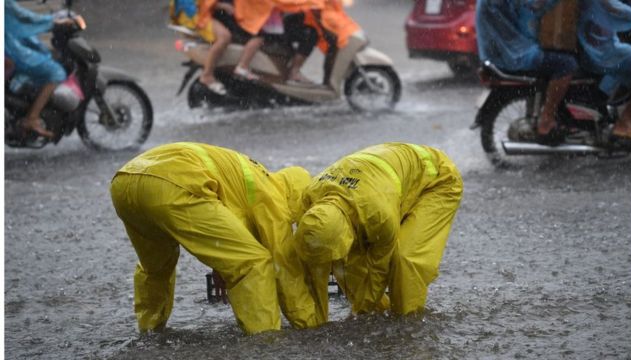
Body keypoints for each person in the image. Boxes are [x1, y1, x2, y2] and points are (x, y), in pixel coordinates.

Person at [110, 142, 323, 334]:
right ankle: (265, 342)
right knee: (253, 263)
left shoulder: (253, 177)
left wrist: (222, 264)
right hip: (172, 185)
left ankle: (149, 331)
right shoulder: (273, 196)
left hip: (124, 183)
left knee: (156, 268)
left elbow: (226, 227)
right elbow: (283, 266)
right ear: (297, 197)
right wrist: (310, 325)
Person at [293, 143, 463, 321]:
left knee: (405, 259)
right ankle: (379, 314)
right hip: (381, 176)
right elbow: (312, 263)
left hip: (437, 180)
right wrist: (315, 321)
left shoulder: (379, 216)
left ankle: (407, 325)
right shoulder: (308, 200)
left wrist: (360, 316)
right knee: (349, 266)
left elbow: (377, 272)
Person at [476, 0, 579, 144]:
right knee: (567, 64)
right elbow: (533, 4)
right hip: (513, 54)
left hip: (501, 51)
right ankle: (547, 119)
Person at [4, 0, 73, 139]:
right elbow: (24, 17)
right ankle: (32, 118)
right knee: (55, 72)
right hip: (8, 48)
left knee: (38, 51)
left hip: (9, 43)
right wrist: (53, 21)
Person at [577, 0, 631, 140]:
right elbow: (620, 13)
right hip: (601, 54)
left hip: (589, 50)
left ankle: (606, 95)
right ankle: (625, 122)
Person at [170, 0, 232, 95]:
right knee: (224, 37)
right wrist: (221, 5)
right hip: (193, 14)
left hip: (201, 11)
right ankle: (207, 74)